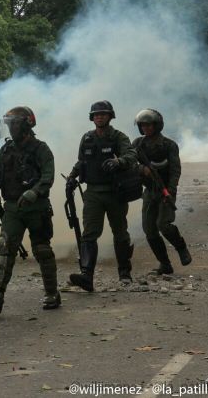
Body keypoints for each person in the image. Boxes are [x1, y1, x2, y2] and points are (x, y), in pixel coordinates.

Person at [0, 107, 60, 314]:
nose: (10, 128)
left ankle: (51, 293)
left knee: (42, 250)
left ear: (26, 125)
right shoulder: (6, 150)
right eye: (9, 124)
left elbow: (48, 177)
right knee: (4, 247)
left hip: (36, 208)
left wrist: (35, 192)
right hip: (12, 207)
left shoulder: (41, 149)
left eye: (14, 124)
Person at [67, 101, 138, 291]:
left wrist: (118, 161)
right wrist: (72, 177)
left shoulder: (118, 137)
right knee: (89, 234)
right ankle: (86, 276)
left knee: (120, 233)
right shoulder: (87, 138)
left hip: (115, 193)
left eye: (103, 114)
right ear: (92, 117)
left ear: (110, 116)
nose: (99, 117)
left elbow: (131, 156)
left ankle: (124, 272)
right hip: (93, 193)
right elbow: (82, 161)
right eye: (96, 114)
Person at [133, 109, 191, 274]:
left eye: (149, 125)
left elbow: (175, 170)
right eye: (142, 125)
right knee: (149, 230)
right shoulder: (137, 144)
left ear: (157, 125)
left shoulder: (169, 145)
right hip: (149, 192)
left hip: (165, 190)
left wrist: (170, 191)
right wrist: (142, 169)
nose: (146, 128)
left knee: (163, 225)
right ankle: (165, 264)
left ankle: (181, 248)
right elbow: (128, 163)